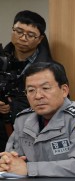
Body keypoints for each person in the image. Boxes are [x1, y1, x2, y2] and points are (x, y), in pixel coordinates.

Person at [0, 61, 75, 178]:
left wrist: (29, 168)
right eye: (31, 90)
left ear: (64, 90)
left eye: (45, 88)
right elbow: (13, 159)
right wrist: (7, 162)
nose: (38, 96)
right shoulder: (23, 119)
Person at [0, 11, 54, 148]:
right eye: (19, 32)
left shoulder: (50, 69)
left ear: (40, 39)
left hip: (32, 136)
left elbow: (56, 105)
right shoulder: (2, 61)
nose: (23, 38)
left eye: (30, 35)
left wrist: (12, 107)